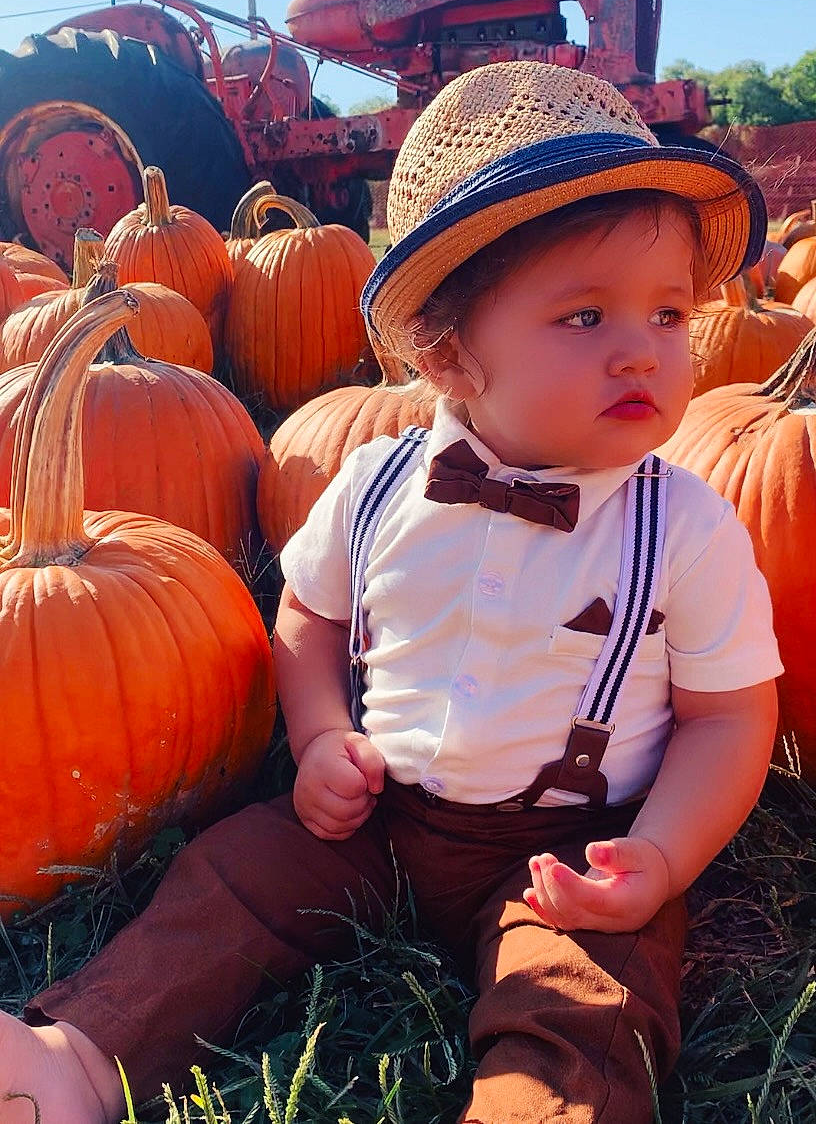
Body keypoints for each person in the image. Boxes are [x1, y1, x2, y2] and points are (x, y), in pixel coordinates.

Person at [0, 61, 781, 1124]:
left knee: (587, 991)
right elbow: (309, 614)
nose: (643, 348)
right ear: (447, 350)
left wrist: (660, 853)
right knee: (231, 882)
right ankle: (82, 1052)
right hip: (375, 814)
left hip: (568, 848)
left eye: (671, 314)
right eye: (587, 317)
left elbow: (729, 712)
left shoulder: (685, 525)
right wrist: (321, 735)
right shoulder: (372, 483)